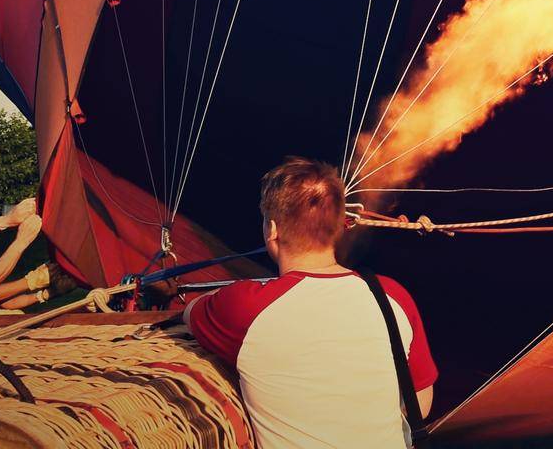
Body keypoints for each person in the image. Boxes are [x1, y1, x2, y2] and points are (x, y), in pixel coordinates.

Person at [184, 158, 436, 449]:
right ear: (340, 228)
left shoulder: (244, 307)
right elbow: (421, 403)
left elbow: (192, 312)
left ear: (273, 230)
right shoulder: (392, 296)